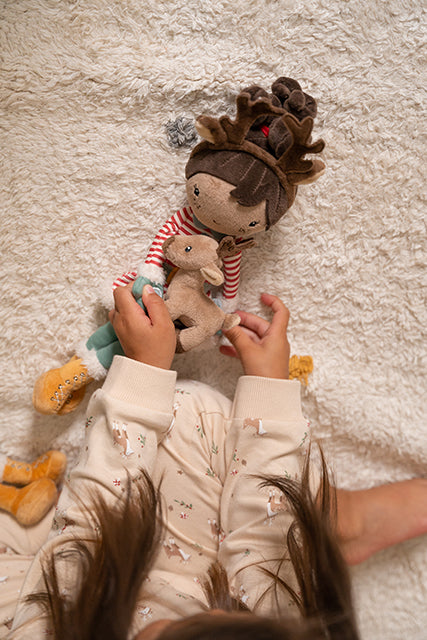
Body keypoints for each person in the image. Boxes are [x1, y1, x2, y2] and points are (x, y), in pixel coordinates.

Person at [2, 287, 427, 639]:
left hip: (51, 597)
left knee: (169, 422)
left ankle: (312, 528)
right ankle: (323, 523)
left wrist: (144, 373)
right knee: (202, 424)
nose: (223, 610)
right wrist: (268, 387)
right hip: (190, 581)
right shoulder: (267, 618)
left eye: (173, 632)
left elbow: (91, 523)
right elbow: (259, 574)